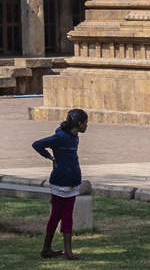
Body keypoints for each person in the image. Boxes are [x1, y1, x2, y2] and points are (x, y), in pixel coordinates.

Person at [32, 108, 88, 260]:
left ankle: (68, 252)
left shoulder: (75, 137)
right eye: (85, 123)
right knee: (56, 215)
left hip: (73, 181)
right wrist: (51, 158)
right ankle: (46, 249)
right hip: (61, 182)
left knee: (67, 216)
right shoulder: (61, 137)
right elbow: (37, 144)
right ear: (79, 123)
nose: (87, 126)